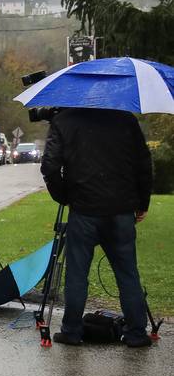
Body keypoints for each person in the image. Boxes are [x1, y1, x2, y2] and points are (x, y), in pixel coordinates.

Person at [40, 107, 154, 348]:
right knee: (128, 274)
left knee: (77, 274)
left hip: (83, 211)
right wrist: (142, 202)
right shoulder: (125, 119)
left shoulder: (64, 120)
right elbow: (143, 163)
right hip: (121, 210)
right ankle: (136, 333)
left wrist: (66, 196)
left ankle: (71, 331)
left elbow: (49, 166)